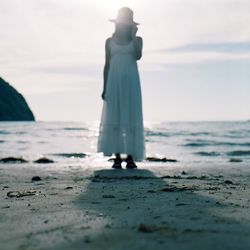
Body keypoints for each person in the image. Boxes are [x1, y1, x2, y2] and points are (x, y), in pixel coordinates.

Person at [97, 7, 145, 169]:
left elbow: (138, 56)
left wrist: (132, 35)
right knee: (115, 117)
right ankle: (117, 158)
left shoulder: (137, 40)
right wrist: (104, 88)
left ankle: (130, 157)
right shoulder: (109, 42)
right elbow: (107, 65)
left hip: (131, 83)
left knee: (131, 116)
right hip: (113, 82)